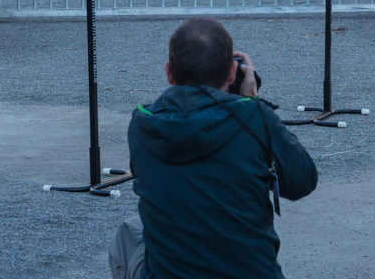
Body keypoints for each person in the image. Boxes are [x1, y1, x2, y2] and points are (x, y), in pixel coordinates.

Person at [109, 17, 316, 279]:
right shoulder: (256, 117)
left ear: (169, 72)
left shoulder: (142, 124)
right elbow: (303, 182)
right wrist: (252, 103)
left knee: (129, 233)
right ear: (232, 73)